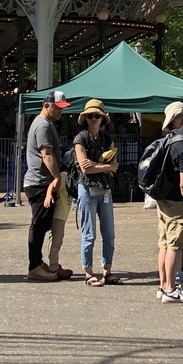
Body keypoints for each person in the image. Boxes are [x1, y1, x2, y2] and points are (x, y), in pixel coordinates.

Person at [155, 101, 183, 303]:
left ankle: (163, 285)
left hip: (163, 199)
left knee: (164, 243)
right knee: (175, 245)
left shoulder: (172, 137)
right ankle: (171, 289)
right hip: (177, 202)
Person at [25, 91, 70, 281]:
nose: (60, 112)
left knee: (42, 225)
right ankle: (34, 266)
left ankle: (37, 263)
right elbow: (47, 155)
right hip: (40, 183)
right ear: (46, 106)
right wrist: (57, 177)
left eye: (62, 108)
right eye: (57, 108)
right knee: (38, 225)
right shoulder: (43, 125)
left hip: (40, 182)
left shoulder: (44, 123)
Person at [73, 98, 118, 286]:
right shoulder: (80, 138)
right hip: (86, 189)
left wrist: (95, 165)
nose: (93, 118)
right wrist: (104, 166)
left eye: (97, 115)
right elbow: (85, 169)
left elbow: (114, 165)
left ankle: (107, 270)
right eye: (90, 115)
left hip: (105, 190)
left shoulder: (107, 138)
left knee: (109, 233)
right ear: (85, 118)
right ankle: (88, 272)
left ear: (102, 118)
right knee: (89, 233)